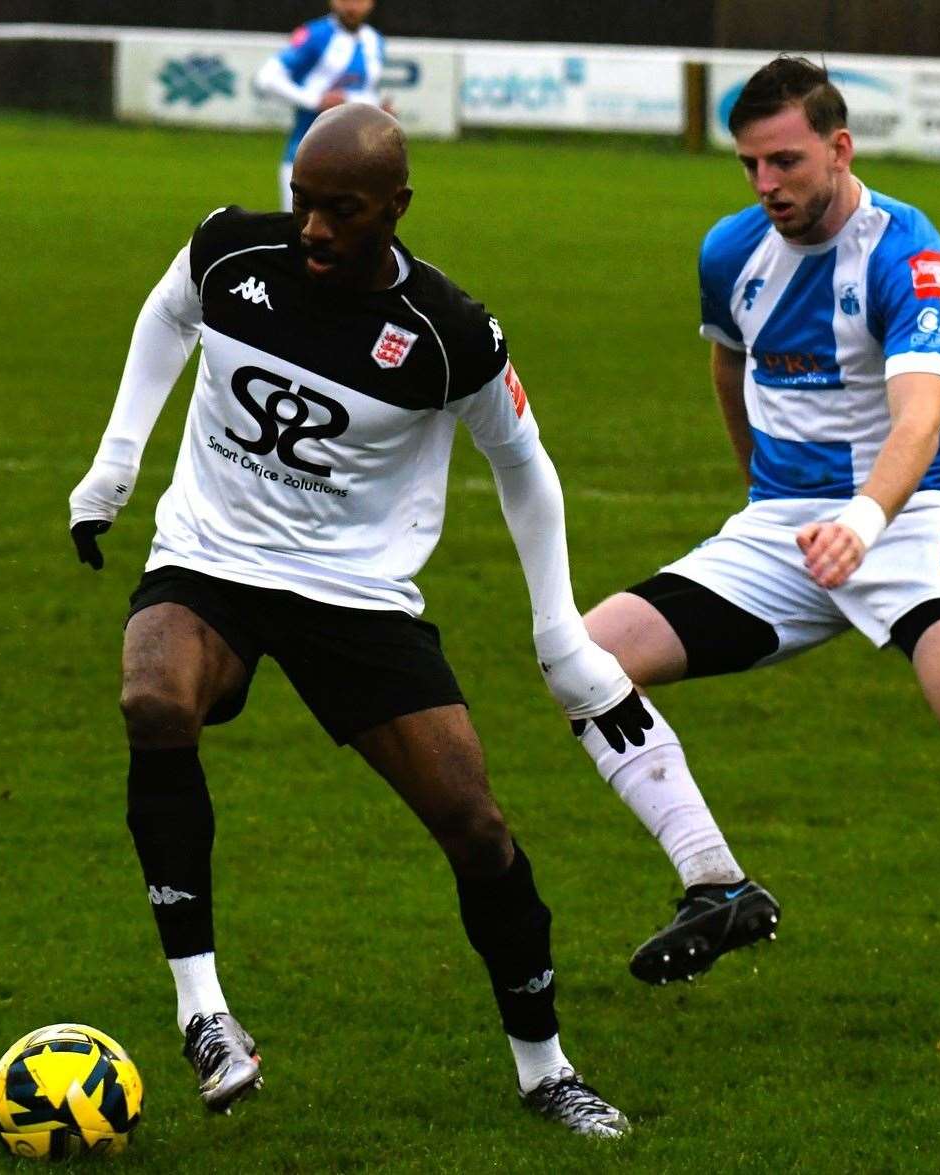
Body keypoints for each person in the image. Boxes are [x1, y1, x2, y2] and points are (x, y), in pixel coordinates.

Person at [65, 104, 649, 1134]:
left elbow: (525, 466)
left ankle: (546, 1066)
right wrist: (115, 464)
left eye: (342, 211)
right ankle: (204, 1010)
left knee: (475, 824)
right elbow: (167, 315)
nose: (314, 232)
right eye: (303, 204)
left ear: (397, 207)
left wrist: (559, 629)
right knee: (153, 696)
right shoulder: (230, 248)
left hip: (356, 592)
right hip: (213, 556)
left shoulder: (448, 334)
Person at [568, 56, 940, 1048]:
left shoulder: (909, 252)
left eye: (787, 162)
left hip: (909, 513)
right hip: (785, 526)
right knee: (586, 655)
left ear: (840, 149)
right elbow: (728, 358)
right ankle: (716, 882)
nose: (767, 185)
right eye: (750, 164)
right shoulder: (731, 250)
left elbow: (921, 420)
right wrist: (762, 492)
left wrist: (866, 520)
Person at [253, 0, 392, 213]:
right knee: (301, 236)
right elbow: (266, 79)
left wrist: (377, 110)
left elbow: (363, 93)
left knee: (351, 239)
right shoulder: (315, 35)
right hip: (306, 158)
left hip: (357, 163)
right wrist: (314, 100)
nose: (352, 6)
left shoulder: (375, 41)